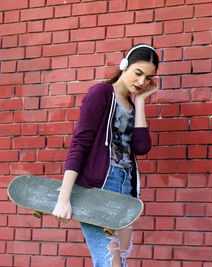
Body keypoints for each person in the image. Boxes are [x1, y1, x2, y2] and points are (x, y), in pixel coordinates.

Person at [51, 44, 159, 267]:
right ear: (124, 66)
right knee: (109, 263)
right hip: (99, 188)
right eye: (138, 73)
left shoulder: (131, 104)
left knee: (118, 262)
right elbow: (79, 144)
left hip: (126, 189)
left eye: (148, 78)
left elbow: (141, 147)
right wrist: (64, 198)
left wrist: (139, 103)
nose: (141, 82)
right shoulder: (100, 94)